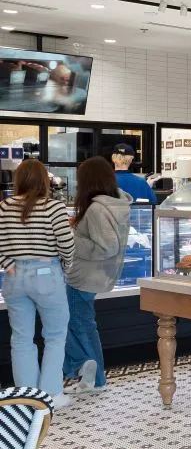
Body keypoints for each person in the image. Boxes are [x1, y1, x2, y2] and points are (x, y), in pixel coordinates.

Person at [0, 159, 74, 408]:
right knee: (55, 335)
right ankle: (51, 394)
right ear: (44, 180)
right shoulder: (53, 207)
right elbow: (67, 244)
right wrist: (64, 266)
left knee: (21, 338)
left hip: (13, 277)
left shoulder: (4, 206)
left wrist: (7, 262)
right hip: (46, 273)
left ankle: (26, 398)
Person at [62, 157, 131, 396]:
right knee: (80, 324)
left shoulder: (96, 208)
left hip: (83, 276)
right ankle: (91, 375)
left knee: (76, 324)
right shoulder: (116, 203)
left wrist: (72, 237)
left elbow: (106, 246)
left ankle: (89, 373)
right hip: (97, 275)